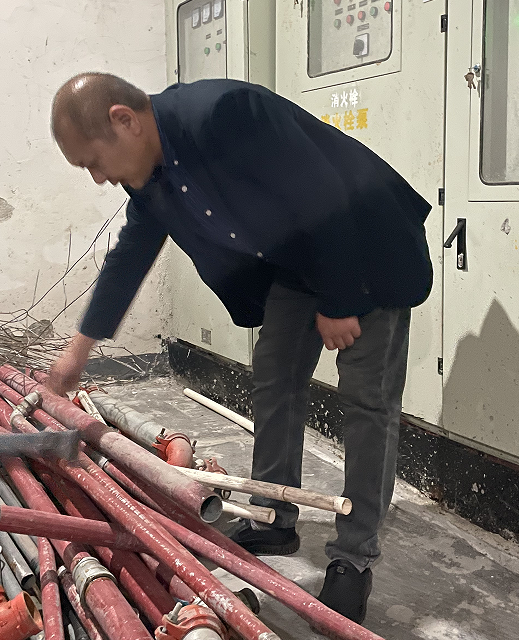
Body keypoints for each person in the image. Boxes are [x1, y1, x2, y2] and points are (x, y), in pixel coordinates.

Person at [46, 72, 432, 624]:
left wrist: (341, 300)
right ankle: (274, 515)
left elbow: (324, 193)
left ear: (124, 121)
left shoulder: (225, 113)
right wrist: (79, 351)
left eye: (93, 162)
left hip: (366, 247)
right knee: (275, 374)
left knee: (368, 400)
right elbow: (131, 254)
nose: (99, 178)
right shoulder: (149, 173)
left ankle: (353, 558)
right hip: (300, 262)